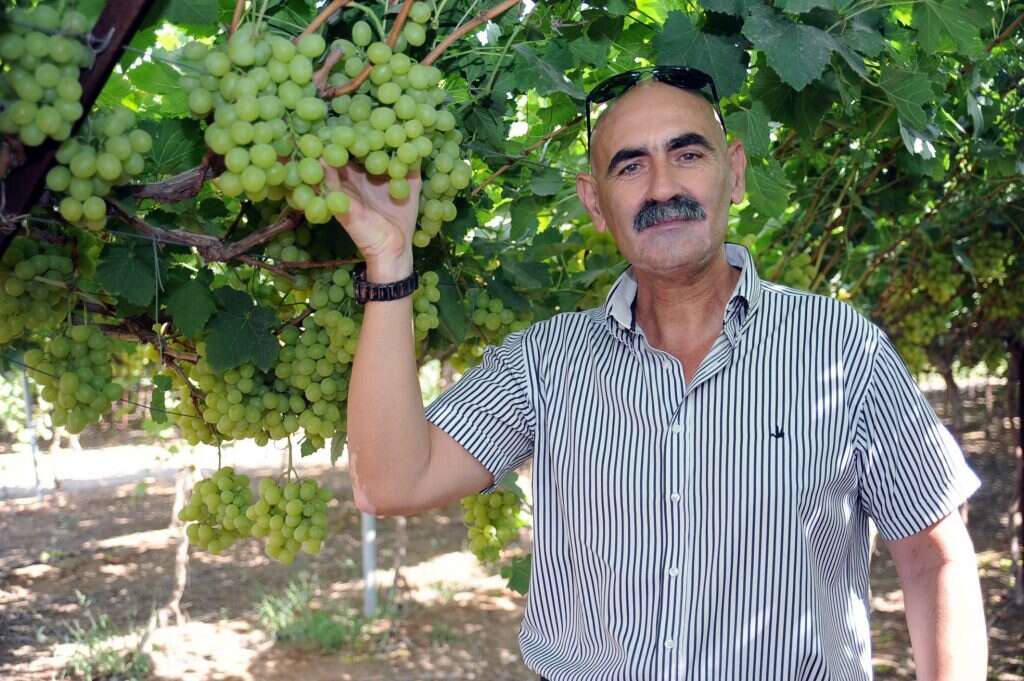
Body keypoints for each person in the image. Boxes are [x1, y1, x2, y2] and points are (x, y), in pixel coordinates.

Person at [323, 66, 988, 680]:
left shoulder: (842, 350)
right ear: (594, 201)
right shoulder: (544, 363)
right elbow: (391, 481)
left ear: (735, 171)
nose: (663, 187)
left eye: (688, 155)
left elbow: (934, 557)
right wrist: (390, 262)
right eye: (631, 166)